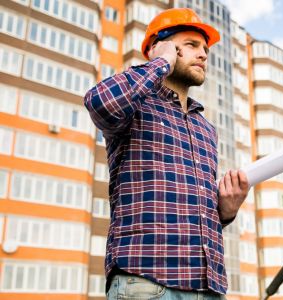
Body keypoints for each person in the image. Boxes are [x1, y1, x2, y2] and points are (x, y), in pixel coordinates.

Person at [83, 8, 249, 299]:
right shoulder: (136, 106)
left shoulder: (206, 128)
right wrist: (160, 63)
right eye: (191, 45)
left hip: (207, 287)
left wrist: (226, 211)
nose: (203, 55)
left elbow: (196, 212)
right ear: (161, 48)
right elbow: (101, 102)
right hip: (147, 283)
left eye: (205, 49)